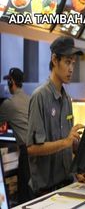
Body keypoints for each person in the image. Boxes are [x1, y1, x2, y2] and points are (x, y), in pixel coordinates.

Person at [26, 36, 84, 196]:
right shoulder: (40, 97)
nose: (71, 68)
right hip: (45, 193)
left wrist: (78, 171)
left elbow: (68, 147)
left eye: (73, 63)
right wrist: (65, 142)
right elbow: (31, 149)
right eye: (67, 62)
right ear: (54, 60)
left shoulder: (67, 99)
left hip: (66, 186)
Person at [0, 68, 31, 203]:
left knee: (24, 194)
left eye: (8, 81)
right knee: (31, 192)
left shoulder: (9, 103)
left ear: (11, 82)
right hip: (38, 151)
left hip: (26, 151)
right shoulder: (30, 99)